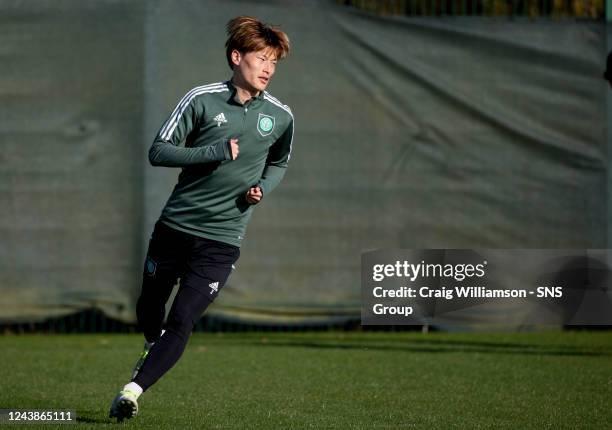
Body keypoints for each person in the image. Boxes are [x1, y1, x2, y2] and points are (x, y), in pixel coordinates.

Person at [109, 16, 293, 422]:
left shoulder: (280, 116)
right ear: (235, 57)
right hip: (175, 229)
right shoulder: (201, 99)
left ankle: (132, 391)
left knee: (183, 318)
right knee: (151, 308)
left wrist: (263, 187)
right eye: (261, 58)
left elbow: (279, 162)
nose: (267, 69)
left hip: (223, 239)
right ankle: (150, 341)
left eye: (274, 63)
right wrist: (212, 152)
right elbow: (159, 151)